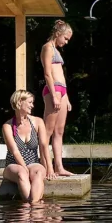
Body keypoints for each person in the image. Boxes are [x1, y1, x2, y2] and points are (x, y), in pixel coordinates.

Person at [3, 89, 54, 204]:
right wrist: (24, 168)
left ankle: (33, 205)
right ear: (20, 102)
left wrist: (50, 168)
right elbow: (15, 151)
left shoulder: (38, 122)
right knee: (21, 173)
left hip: (33, 162)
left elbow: (44, 146)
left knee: (39, 172)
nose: (32, 105)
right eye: (30, 102)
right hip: (14, 164)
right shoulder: (7, 126)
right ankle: (34, 205)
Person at [41, 19, 75, 177]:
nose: (66, 42)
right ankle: (46, 167)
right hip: (53, 89)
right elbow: (48, 73)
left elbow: (61, 74)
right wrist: (54, 94)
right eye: (65, 38)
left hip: (62, 90)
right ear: (58, 33)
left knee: (59, 131)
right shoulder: (47, 48)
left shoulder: (57, 50)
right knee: (47, 130)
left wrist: (66, 97)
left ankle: (59, 167)